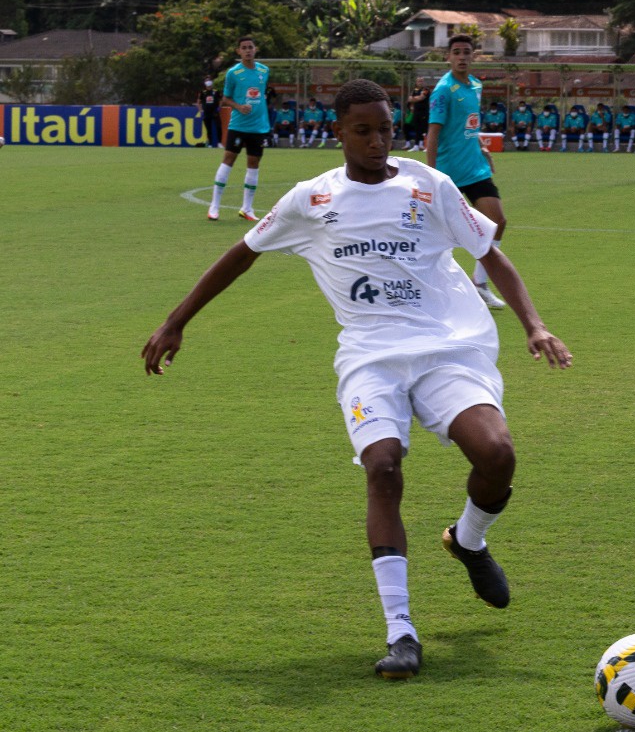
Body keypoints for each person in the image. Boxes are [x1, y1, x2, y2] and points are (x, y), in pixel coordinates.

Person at [141, 79, 573, 681]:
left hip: (449, 348)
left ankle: (469, 542)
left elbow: (491, 252)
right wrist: (175, 322)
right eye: (363, 130)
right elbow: (241, 253)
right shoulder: (310, 200)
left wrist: (535, 324)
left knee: (497, 454)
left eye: (386, 129)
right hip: (370, 358)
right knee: (383, 466)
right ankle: (401, 632)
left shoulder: (430, 184)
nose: (377, 141)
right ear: (338, 131)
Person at [426, 34, 510, 310]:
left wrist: (482, 148)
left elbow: (470, 126)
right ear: (448, 57)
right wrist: (431, 172)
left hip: (474, 168)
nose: (462, 56)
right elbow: (433, 133)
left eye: (466, 52)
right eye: (457, 52)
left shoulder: (475, 85)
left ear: (473, 56)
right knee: (435, 233)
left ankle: (480, 284)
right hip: (448, 172)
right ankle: (429, 287)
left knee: (497, 221)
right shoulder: (443, 90)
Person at [208, 36, 270, 222]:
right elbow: (225, 99)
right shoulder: (233, 73)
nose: (248, 50)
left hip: (259, 127)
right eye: (244, 48)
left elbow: (260, 95)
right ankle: (214, 206)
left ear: (255, 49)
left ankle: (247, 209)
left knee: (253, 165)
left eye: (250, 47)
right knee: (228, 160)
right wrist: (239, 107)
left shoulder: (264, 70)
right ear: (238, 51)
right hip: (239, 125)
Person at [404, 75, 431, 152]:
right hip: (416, 112)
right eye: (419, 81)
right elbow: (409, 99)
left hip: (424, 112)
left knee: (424, 129)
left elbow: (421, 97)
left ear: (424, 82)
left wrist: (414, 99)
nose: (420, 82)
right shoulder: (414, 90)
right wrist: (416, 98)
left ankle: (426, 146)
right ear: (416, 82)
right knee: (417, 129)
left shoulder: (426, 89)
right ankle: (416, 146)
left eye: (421, 81)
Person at [198, 78, 221, 149]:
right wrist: (201, 110)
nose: (208, 83)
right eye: (207, 81)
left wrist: (219, 108)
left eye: (209, 81)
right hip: (206, 113)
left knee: (218, 127)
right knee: (209, 129)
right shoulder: (203, 92)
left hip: (215, 112)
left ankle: (219, 143)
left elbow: (221, 100)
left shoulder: (216, 91)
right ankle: (210, 144)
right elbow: (198, 102)